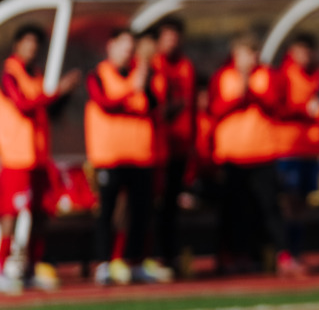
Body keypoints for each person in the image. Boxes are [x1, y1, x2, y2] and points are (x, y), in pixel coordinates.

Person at [0, 25, 80, 294]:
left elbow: (46, 109)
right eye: (28, 42)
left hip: (38, 155)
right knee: (11, 214)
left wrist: (63, 93)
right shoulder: (9, 73)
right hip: (15, 155)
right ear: (17, 45)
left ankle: (31, 267)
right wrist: (56, 91)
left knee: (40, 212)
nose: (32, 48)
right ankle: (2, 267)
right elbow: (22, 104)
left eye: (36, 44)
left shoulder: (35, 75)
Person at [209, 33, 294, 275]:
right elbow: (213, 109)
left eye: (254, 53)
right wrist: (240, 96)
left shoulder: (269, 75)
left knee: (269, 208)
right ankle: (234, 256)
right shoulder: (222, 77)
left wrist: (252, 94)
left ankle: (283, 255)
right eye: (246, 53)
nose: (251, 59)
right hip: (232, 157)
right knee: (234, 211)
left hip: (263, 153)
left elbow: (278, 107)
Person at [85, 29, 162, 285]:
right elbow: (105, 103)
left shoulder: (143, 74)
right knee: (108, 212)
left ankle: (135, 261)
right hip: (109, 155)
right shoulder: (99, 74)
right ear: (111, 46)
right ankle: (104, 262)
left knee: (140, 212)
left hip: (141, 155)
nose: (127, 52)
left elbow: (154, 105)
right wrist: (132, 87)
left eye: (131, 47)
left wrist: (146, 75)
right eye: (123, 45)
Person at [273, 34, 319, 274]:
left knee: (302, 204)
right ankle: (285, 254)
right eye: (301, 50)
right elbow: (277, 107)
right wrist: (304, 110)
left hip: (310, 150)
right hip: (288, 149)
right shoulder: (283, 75)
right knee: (290, 202)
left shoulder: (317, 75)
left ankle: (296, 252)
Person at [151, 17, 196, 277]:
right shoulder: (154, 66)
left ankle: (169, 255)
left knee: (171, 205)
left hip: (180, 147)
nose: (172, 41)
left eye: (175, 36)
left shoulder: (186, 65)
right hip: (158, 148)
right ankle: (156, 256)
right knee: (156, 205)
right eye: (167, 36)